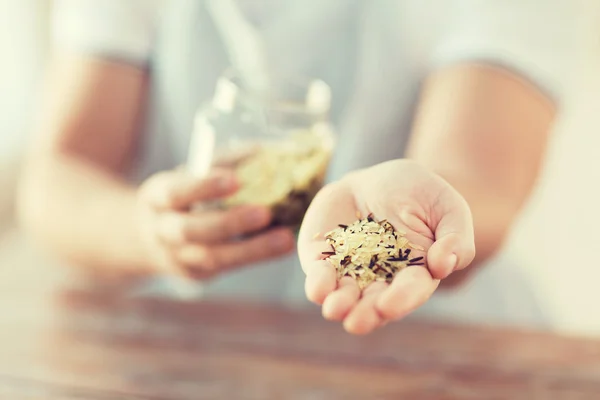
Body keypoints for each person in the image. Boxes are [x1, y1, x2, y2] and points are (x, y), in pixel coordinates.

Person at [18, 0, 583, 334]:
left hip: (435, 349)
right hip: (175, 345)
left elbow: (480, 176)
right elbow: (56, 177)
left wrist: (427, 206)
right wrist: (146, 230)